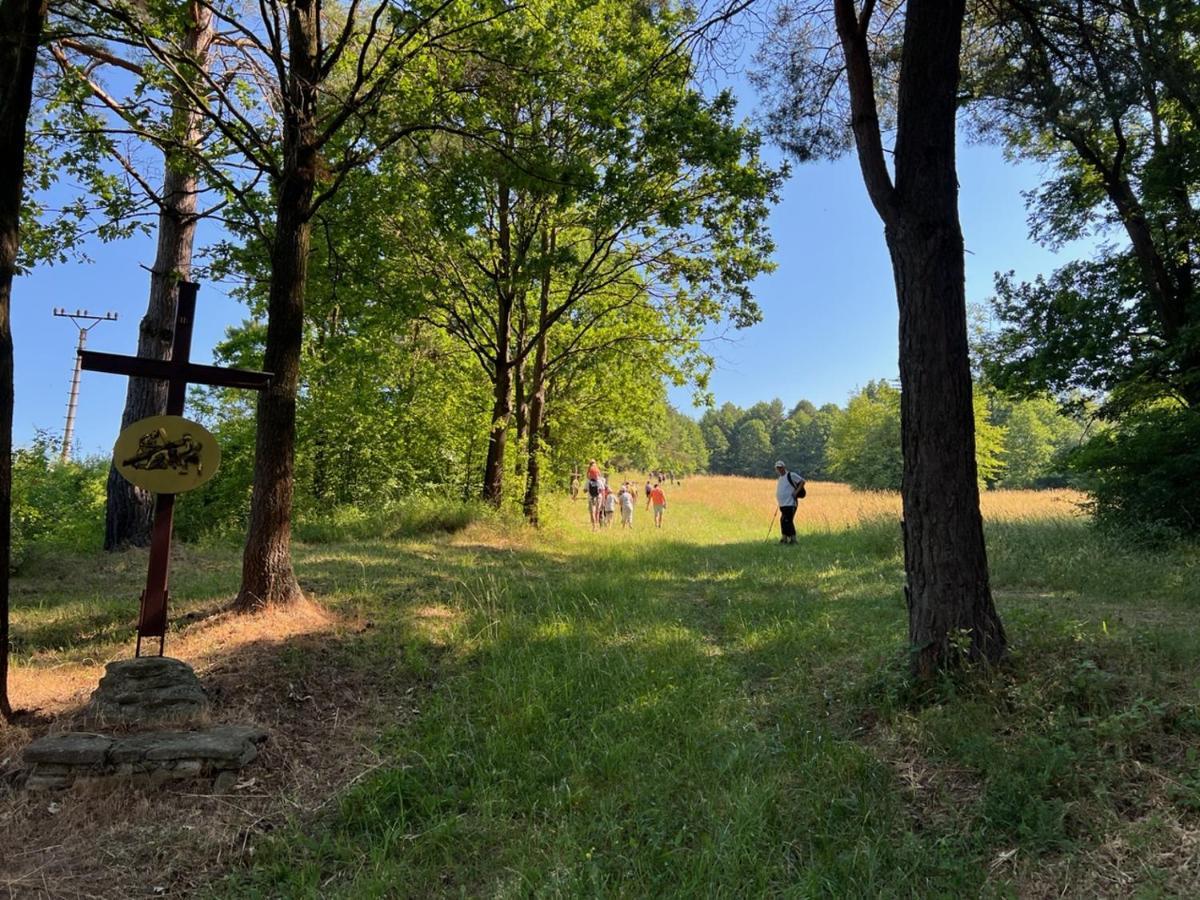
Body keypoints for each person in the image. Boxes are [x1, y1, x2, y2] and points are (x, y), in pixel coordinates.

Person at [774, 460, 806, 545]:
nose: (779, 469)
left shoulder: (791, 475)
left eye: (780, 467)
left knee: (787, 520)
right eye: (778, 468)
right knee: (783, 520)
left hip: (790, 503)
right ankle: (784, 538)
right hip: (783, 504)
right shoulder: (780, 478)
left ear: (784, 467)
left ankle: (793, 539)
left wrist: (796, 492)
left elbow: (802, 481)